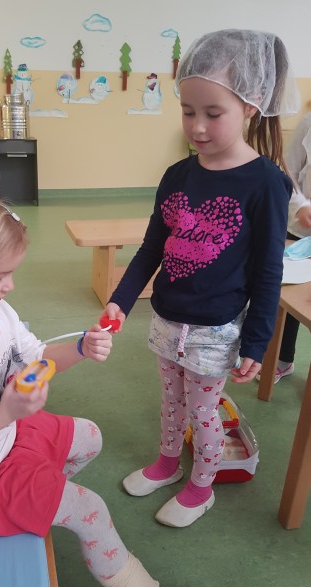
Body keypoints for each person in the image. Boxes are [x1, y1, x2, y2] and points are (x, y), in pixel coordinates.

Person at [0, 188, 170, 587]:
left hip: (6, 438)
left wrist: (81, 348)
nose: (9, 286)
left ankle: (37, 495)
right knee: (90, 508)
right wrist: (5, 414)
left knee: (91, 436)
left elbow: (37, 357)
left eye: (10, 274)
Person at [102, 29, 300, 528]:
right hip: (167, 319)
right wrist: (120, 299)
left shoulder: (267, 184)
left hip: (215, 331)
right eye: (188, 111)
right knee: (171, 403)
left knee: (204, 413)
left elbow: (268, 271)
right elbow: (152, 248)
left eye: (213, 113)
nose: (197, 126)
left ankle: (201, 487)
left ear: (250, 107)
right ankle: (168, 464)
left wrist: (257, 341)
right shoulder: (177, 175)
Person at [265, 111, 311, 382]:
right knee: (288, 296)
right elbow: (288, 169)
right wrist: (301, 205)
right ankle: (282, 358)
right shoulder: (309, 122)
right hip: (300, 229)